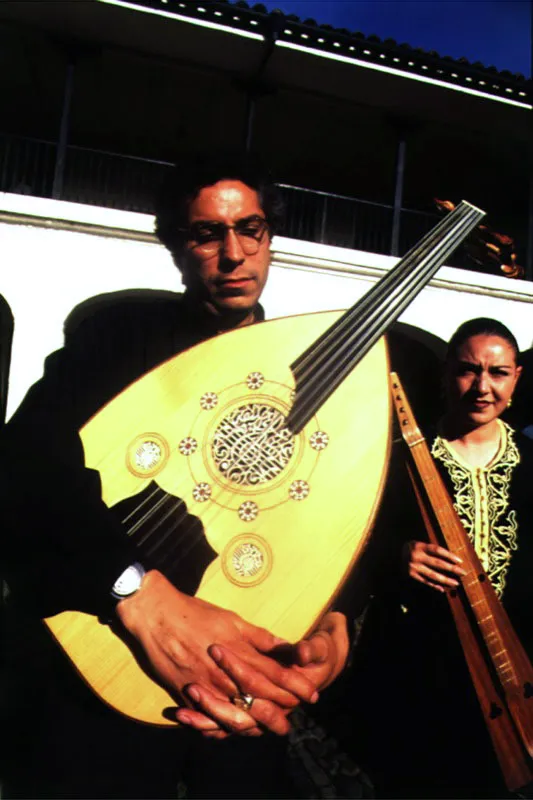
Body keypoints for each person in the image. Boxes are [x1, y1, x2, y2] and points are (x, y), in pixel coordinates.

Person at [0, 155, 350, 799]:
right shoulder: (119, 337)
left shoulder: (301, 374)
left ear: (271, 238)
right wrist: (137, 592)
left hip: (242, 672)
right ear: (174, 246)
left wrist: (337, 625)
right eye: (207, 234)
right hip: (102, 668)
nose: (234, 254)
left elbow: (328, 515)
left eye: (252, 229)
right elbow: (25, 460)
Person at [329, 317, 533, 798]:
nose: (482, 386)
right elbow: (352, 548)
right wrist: (397, 556)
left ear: (516, 378)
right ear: (446, 374)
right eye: (468, 370)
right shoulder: (399, 458)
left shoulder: (531, 463)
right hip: (418, 672)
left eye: (498, 373)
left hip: (513, 675)